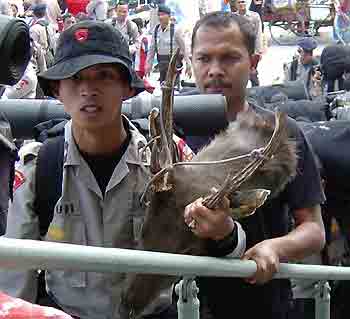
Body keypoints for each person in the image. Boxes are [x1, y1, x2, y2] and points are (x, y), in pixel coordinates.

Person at [0, 20, 246, 319]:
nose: (88, 90)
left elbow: (232, 248)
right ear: (57, 90)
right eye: (75, 78)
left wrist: (223, 231)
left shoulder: (168, 157)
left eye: (103, 76)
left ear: (127, 88)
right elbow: (15, 276)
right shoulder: (38, 166)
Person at [187, 11, 325, 319]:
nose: (215, 70)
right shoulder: (171, 129)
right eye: (204, 58)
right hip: (183, 302)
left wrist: (275, 248)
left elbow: (314, 229)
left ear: (254, 62)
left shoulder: (281, 133)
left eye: (229, 58)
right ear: (190, 62)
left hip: (260, 301)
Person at [145, 4, 192, 85]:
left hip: (173, 63)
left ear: (169, 16)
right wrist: (148, 64)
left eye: (163, 15)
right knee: (163, 86)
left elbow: (184, 48)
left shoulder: (176, 30)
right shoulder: (156, 30)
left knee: (173, 87)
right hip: (161, 63)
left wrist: (188, 64)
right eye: (159, 15)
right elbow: (152, 49)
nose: (160, 17)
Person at [236, 0, 263, 87]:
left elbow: (258, 34)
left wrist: (258, 51)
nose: (241, 4)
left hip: (252, 51)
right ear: (236, 4)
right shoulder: (233, 17)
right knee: (239, 75)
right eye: (239, 2)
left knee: (253, 74)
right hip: (238, 50)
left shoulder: (254, 16)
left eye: (243, 2)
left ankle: (256, 94)